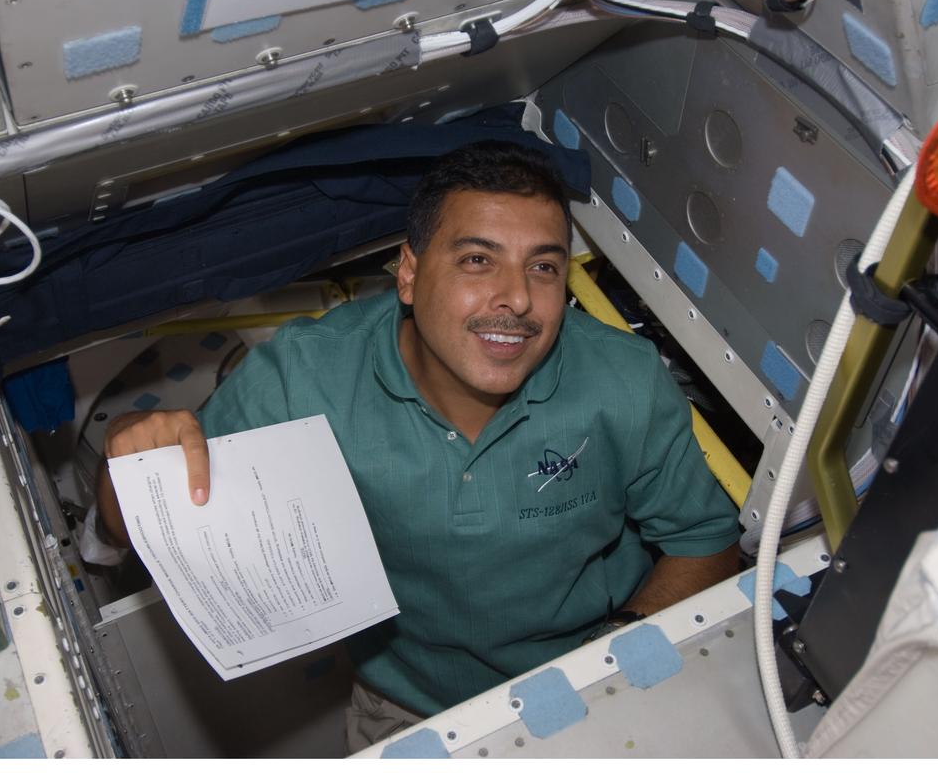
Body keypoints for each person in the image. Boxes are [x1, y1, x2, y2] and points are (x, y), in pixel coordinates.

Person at [92, 140, 741, 751]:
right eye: (477, 260)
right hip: (410, 708)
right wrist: (129, 458)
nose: (516, 299)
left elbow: (704, 542)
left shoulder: (624, 380)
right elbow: (134, 529)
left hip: (594, 675)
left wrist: (613, 663)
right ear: (408, 272)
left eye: (543, 266)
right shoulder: (304, 378)